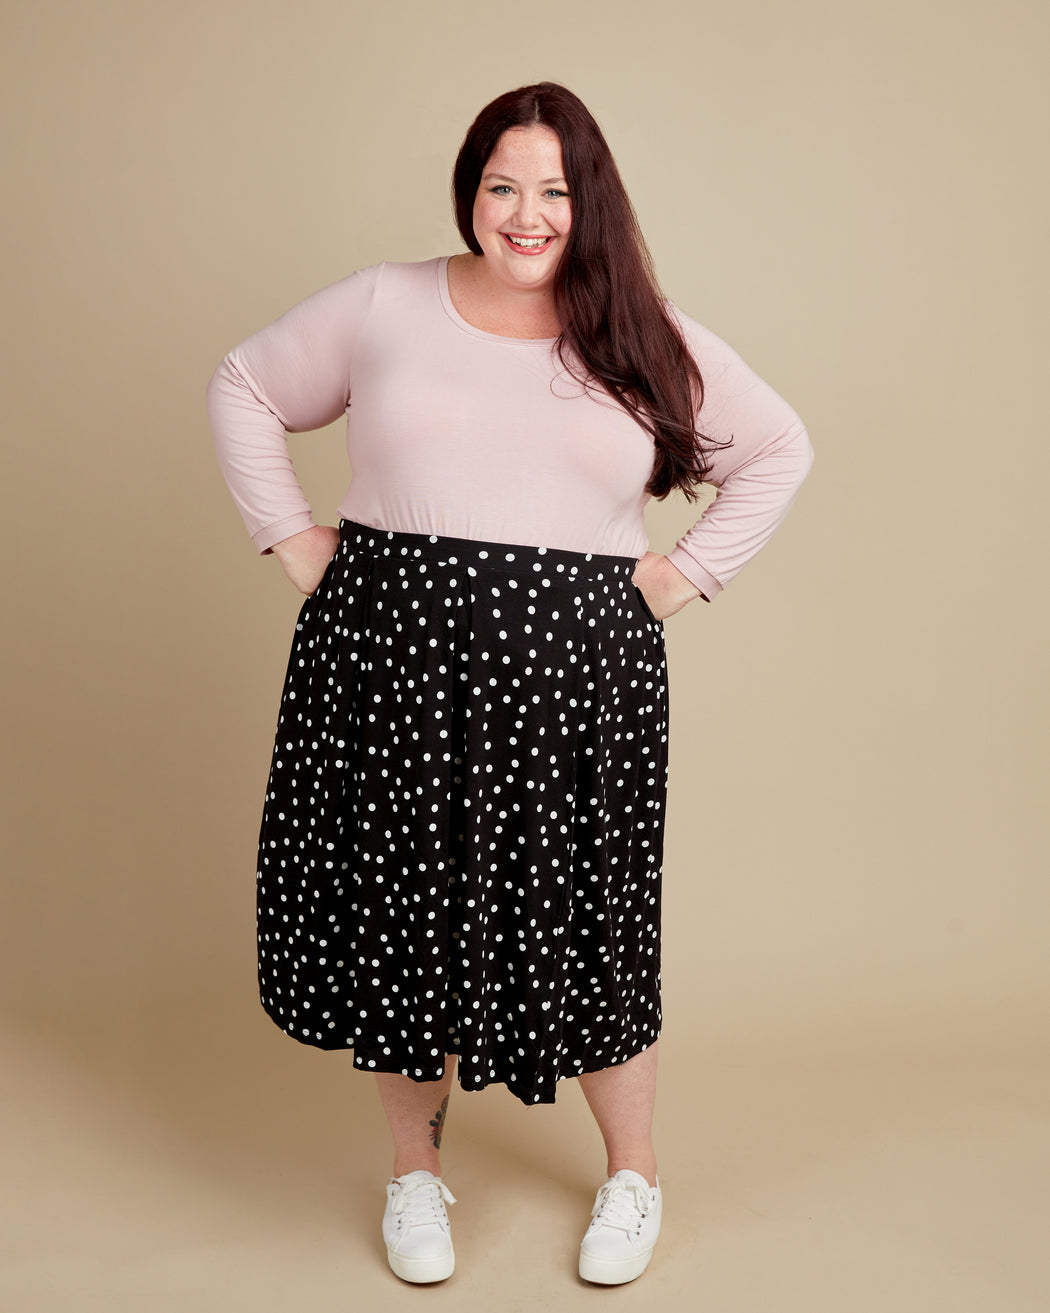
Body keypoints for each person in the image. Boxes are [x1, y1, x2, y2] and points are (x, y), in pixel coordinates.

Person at [206, 81, 813, 1286]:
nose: (526, 215)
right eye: (502, 186)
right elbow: (245, 386)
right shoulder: (387, 301)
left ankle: (632, 1174)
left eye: (554, 191)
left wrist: (683, 576)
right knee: (401, 920)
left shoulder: (643, 331)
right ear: (470, 191)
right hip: (385, 663)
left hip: (576, 684)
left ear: (591, 206)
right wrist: (292, 538)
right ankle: (414, 1175)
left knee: (591, 921)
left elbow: (778, 448)